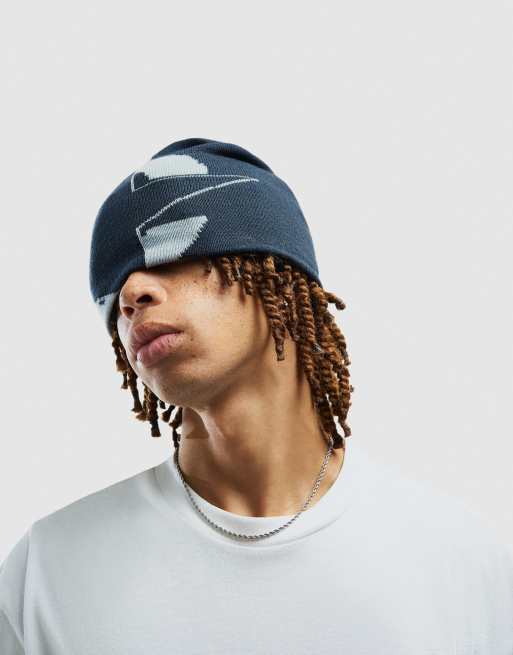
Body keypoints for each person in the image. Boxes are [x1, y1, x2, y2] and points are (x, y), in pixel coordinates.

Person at [1, 138, 512, 654]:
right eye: (113, 292)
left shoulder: (461, 563)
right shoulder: (48, 571)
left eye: (172, 252)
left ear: (277, 275)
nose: (132, 295)